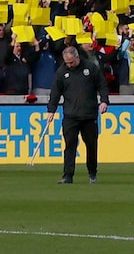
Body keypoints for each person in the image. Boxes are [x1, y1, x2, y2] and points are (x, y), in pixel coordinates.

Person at [46, 46, 109, 184]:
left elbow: (102, 85)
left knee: (91, 146)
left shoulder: (91, 68)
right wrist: (51, 110)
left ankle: (92, 173)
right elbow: (55, 93)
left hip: (89, 115)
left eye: (71, 62)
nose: (69, 65)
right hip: (70, 116)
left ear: (77, 57)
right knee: (70, 146)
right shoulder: (62, 72)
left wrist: (104, 101)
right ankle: (68, 176)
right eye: (67, 62)